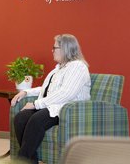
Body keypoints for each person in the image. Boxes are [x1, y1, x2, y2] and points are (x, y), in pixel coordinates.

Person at [11, 34, 91, 164]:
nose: (52, 50)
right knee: (20, 118)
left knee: (36, 120)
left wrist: (36, 104)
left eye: (54, 48)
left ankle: (21, 160)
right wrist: (26, 92)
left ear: (65, 49)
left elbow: (66, 93)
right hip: (52, 106)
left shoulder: (78, 67)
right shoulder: (58, 69)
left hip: (68, 109)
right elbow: (45, 89)